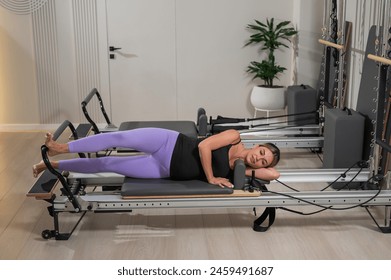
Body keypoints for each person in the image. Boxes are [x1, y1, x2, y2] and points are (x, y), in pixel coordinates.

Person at [32, 128, 280, 188]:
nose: (260, 160)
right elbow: (204, 146)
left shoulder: (240, 170)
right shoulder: (234, 137)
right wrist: (213, 177)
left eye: (264, 161)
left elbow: (274, 175)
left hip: (163, 169)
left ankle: (53, 165)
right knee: (119, 139)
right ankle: (60, 148)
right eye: (262, 153)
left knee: (108, 164)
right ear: (257, 145)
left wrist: (267, 166)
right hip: (169, 142)